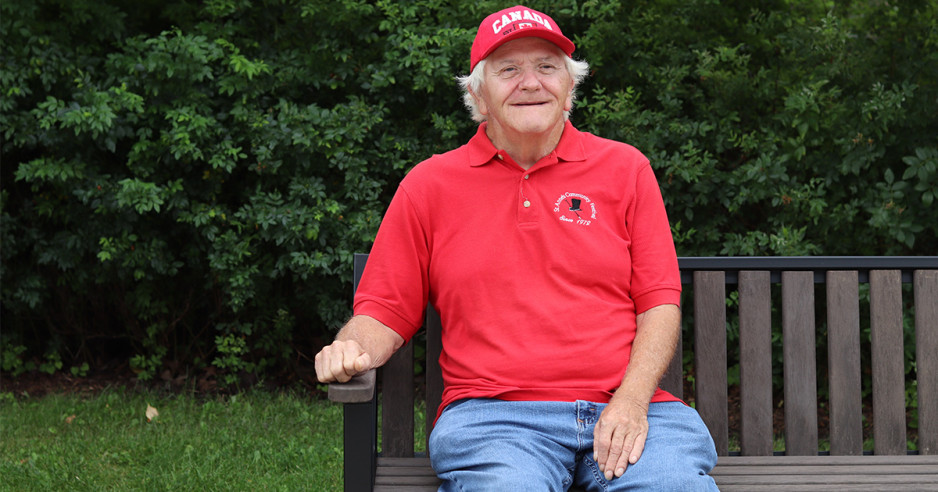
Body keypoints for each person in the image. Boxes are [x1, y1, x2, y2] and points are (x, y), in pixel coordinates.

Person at [315, 5, 719, 491]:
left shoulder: (626, 169)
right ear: (478, 96)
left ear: (569, 87)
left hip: (629, 408)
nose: (530, 83)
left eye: (547, 67)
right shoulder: (430, 185)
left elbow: (658, 301)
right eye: (508, 70)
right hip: (495, 421)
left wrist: (632, 400)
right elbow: (384, 310)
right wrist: (351, 349)